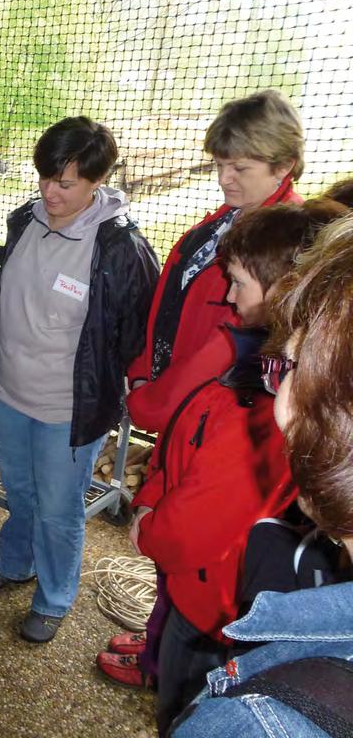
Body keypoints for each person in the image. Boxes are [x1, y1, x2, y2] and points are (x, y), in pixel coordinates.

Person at [108, 201, 342, 734]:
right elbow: (185, 441)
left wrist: (150, 530)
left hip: (213, 608)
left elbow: (201, 515)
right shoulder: (251, 371)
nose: (230, 297)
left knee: (187, 701)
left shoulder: (261, 404)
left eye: (237, 283)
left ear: (285, 289)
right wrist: (152, 496)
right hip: (213, 591)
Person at [105, 89, 306, 676]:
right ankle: (158, 643)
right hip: (177, 404)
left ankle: (172, 663)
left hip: (197, 409)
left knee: (198, 554)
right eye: (219, 163)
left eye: (239, 167)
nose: (223, 178)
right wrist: (144, 365)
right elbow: (172, 305)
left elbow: (223, 344)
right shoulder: (226, 223)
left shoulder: (279, 250)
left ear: (283, 167)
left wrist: (151, 397)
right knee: (175, 557)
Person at [0, 116, 159, 642]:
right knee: (21, 492)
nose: (50, 191)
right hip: (10, 391)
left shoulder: (120, 248)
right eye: (46, 177)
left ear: (96, 182)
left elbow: (134, 336)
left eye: (66, 183)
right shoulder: (23, 221)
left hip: (68, 407)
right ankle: (16, 565)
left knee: (58, 507)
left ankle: (54, 597)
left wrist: (110, 388)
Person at [171, 214, 353, 737]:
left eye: (291, 369)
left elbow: (203, 506)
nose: (279, 407)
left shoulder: (256, 723)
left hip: (210, 596)